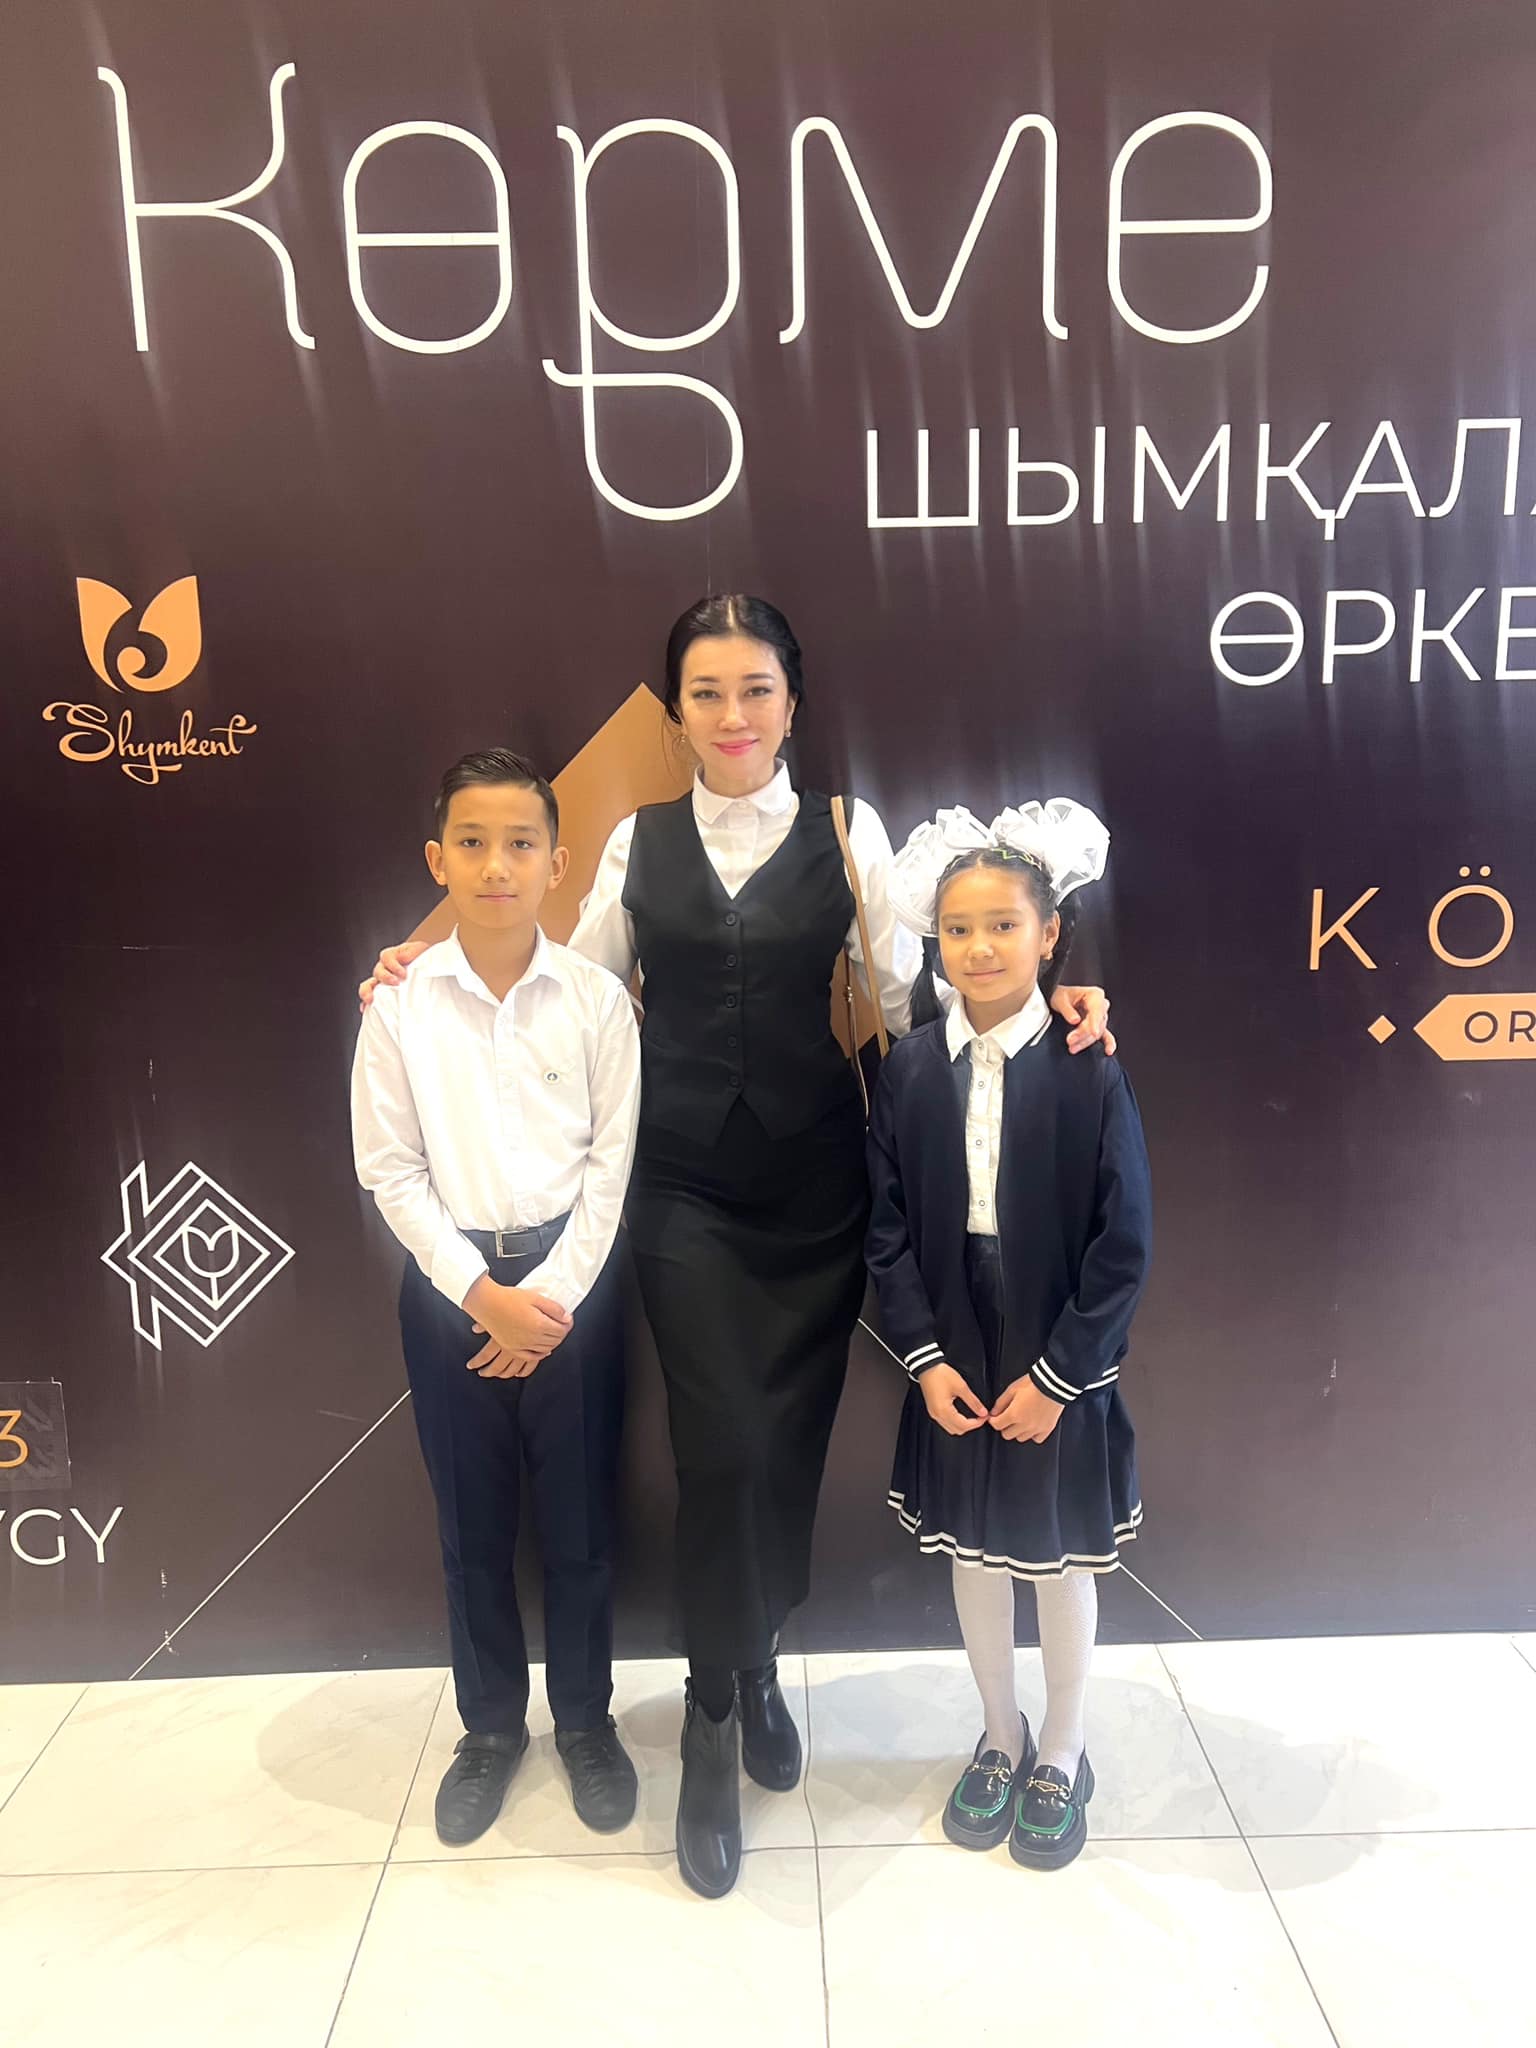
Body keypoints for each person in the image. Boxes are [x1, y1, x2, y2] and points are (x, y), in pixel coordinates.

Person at [359, 596, 1113, 1898]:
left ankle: (758, 1660)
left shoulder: (845, 831)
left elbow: (917, 992)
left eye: (755, 689)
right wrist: (413, 966)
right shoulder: (636, 842)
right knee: (721, 1452)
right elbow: (565, 987)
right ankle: (716, 1716)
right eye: (706, 692)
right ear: (677, 713)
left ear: (791, 702)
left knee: (786, 1452)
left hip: (819, 1194)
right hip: (682, 1195)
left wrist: (1054, 999)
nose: (732, 715)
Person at [351, 748, 641, 1848]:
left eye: (521, 843)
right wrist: (481, 1295)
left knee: (580, 1526)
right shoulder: (399, 1006)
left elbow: (612, 1167)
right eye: (471, 843)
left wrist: (547, 1301)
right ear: (438, 859)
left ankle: (586, 1723)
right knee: (472, 1528)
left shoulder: (598, 1002)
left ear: (557, 864)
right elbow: (390, 1169)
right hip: (449, 1288)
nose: (496, 865)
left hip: (576, 1287)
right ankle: (487, 1729)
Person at [867, 800, 1152, 1871]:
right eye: (957, 928)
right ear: (934, 941)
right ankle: (999, 1732)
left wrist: (1061, 1375)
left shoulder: (1088, 1063)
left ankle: (1064, 1748)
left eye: (1002, 924)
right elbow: (887, 1226)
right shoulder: (908, 1068)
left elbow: (1123, 1240)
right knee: (976, 1555)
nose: (979, 946)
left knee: (1055, 1557)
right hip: (954, 1339)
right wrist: (925, 1359)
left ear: (1049, 933)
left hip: (1050, 1340)